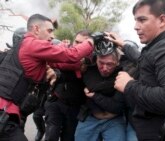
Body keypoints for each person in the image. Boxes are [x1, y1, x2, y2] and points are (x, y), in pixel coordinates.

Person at [0, 13, 95, 141]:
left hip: (12, 113)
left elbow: (61, 63)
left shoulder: (29, 47)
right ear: (36, 29)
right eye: (49, 31)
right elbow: (71, 55)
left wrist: (84, 63)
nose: (52, 36)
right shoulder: (33, 44)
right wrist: (91, 41)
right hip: (4, 112)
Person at [111, 0, 165, 140]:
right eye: (136, 20)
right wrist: (124, 46)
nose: (136, 27)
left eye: (142, 20)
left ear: (162, 20)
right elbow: (145, 61)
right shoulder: (157, 46)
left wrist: (129, 86)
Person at [74, 39, 126, 141]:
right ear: (96, 59)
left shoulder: (123, 73)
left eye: (109, 64)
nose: (104, 68)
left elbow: (117, 107)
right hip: (89, 116)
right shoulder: (88, 69)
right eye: (101, 63)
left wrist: (94, 95)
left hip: (114, 120)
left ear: (117, 62)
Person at [44, 30, 91, 141]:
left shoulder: (92, 64)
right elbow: (56, 69)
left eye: (81, 44)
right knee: (51, 135)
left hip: (75, 107)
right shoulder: (64, 53)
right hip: (56, 101)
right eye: (76, 41)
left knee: (69, 137)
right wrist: (57, 74)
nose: (77, 46)